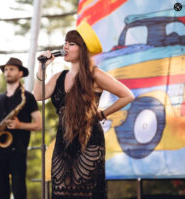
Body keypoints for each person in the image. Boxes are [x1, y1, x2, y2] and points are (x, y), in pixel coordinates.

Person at [33, 21, 134, 199]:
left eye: (71, 44)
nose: (65, 47)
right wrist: (43, 69)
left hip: (88, 141)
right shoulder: (58, 77)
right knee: (60, 193)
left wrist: (102, 114)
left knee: (85, 193)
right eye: (65, 43)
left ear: (83, 49)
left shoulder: (95, 74)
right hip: (63, 142)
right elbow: (37, 95)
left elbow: (127, 95)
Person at [0, 57, 42, 199]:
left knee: (19, 191)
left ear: (21, 73)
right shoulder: (0, 98)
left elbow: (39, 125)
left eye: (12, 69)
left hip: (17, 150)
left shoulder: (27, 97)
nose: (7, 72)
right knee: (1, 192)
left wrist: (20, 125)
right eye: (6, 69)